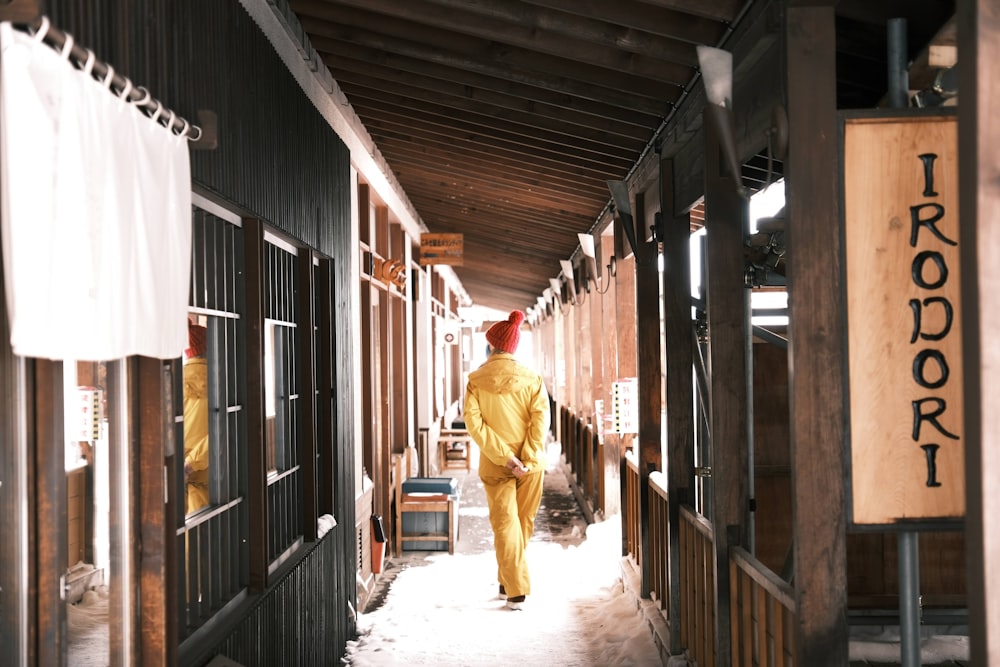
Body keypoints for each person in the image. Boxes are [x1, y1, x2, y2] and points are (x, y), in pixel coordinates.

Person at [464, 310, 550, 611]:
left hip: (495, 464)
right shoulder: (533, 379)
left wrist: (506, 457)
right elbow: (540, 420)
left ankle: (508, 580)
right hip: (531, 465)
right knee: (522, 523)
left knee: (505, 525)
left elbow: (475, 426)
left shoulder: (475, 380)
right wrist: (525, 457)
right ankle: (514, 588)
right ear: (513, 348)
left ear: (491, 346)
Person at [183, 321, 210, 513]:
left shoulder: (176, 381)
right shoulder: (224, 383)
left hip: (181, 476)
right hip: (215, 476)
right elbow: (221, 431)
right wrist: (193, 462)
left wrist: (185, 465)